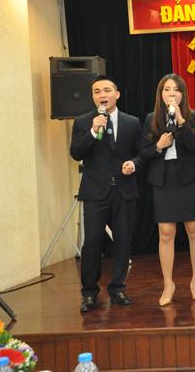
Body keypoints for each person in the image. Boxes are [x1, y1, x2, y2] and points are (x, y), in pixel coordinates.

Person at [70, 76, 142, 312]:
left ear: (117, 94)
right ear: (93, 97)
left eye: (107, 90)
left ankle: (118, 288)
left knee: (123, 240)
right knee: (92, 242)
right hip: (95, 192)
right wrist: (93, 131)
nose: (102, 95)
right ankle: (89, 293)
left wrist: (134, 164)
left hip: (124, 191)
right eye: (97, 91)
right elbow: (76, 153)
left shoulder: (132, 122)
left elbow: (141, 153)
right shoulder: (83, 122)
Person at [141, 73, 195, 307]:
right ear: (161, 94)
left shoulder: (193, 116)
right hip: (163, 179)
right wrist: (158, 147)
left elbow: (192, 144)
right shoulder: (151, 118)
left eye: (176, 90)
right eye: (167, 89)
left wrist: (180, 119)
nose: (172, 93)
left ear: (183, 94)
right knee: (166, 232)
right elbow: (144, 152)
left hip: (187, 178)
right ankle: (168, 284)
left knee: (194, 229)